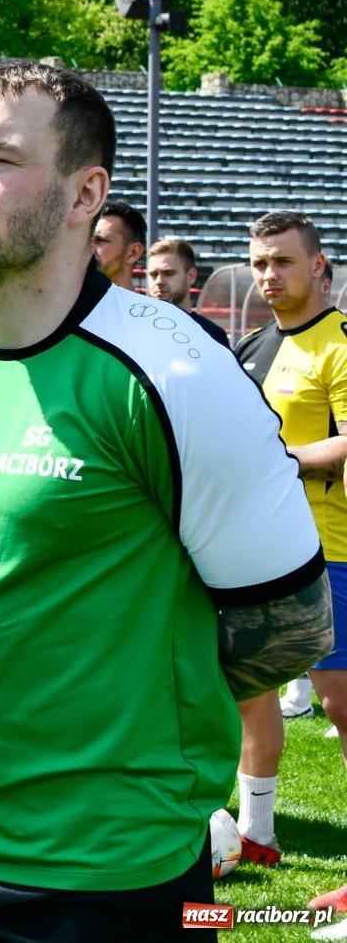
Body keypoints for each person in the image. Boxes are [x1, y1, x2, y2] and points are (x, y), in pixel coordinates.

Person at [0, 60, 330, 938]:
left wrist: (118, 714)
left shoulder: (179, 374)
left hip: (112, 865)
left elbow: (292, 627)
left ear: (88, 193)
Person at [232, 210, 347, 868]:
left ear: (318, 267)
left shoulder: (340, 342)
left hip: (332, 548)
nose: (268, 276)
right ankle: (258, 834)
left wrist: (276, 458)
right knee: (251, 691)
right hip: (257, 547)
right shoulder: (250, 345)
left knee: (339, 705)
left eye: (281, 262)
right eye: (259, 264)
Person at [144, 237, 229, 347]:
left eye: (168, 273)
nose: (159, 281)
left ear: (191, 276)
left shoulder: (212, 335)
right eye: (153, 274)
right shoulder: (136, 330)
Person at [91, 199, 145, 290]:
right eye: (88, 241)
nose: (90, 248)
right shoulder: (62, 303)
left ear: (133, 252)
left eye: (100, 240)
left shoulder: (152, 304)